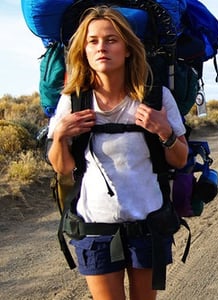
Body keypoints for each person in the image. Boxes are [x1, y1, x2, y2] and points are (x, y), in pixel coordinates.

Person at [47, 5, 188, 300]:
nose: (101, 48)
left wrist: (164, 131)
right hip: (95, 227)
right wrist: (59, 136)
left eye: (111, 40)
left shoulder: (156, 97)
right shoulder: (72, 101)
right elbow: (63, 168)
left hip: (148, 225)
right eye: (92, 41)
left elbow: (180, 158)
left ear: (127, 48)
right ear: (83, 51)